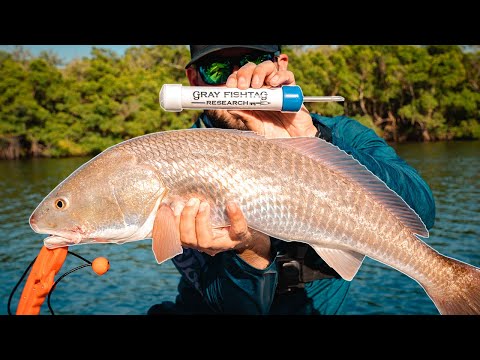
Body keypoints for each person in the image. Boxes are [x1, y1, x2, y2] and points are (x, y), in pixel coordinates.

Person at [147, 45, 436, 315]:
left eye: (254, 63)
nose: (237, 79)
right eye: (217, 69)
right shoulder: (175, 161)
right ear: (194, 80)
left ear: (280, 64)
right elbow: (230, 305)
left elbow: (423, 211)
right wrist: (249, 250)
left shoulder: (343, 134)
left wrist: (316, 142)